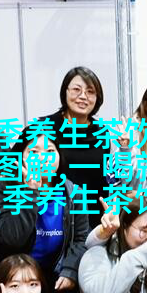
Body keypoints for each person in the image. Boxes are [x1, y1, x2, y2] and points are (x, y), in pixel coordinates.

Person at [0, 131, 88, 293]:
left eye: (50, 151)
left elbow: (80, 238)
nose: (43, 158)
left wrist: (70, 270)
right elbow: (13, 237)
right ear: (20, 157)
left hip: (50, 279)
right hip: (7, 281)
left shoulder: (73, 193)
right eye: (34, 152)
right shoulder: (0, 188)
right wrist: (30, 192)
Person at [40, 66, 106, 228]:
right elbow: (17, 163)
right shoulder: (44, 127)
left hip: (93, 219)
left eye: (90, 92)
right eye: (76, 90)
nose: (83, 96)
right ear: (65, 92)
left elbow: (105, 180)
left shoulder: (102, 133)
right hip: (52, 218)